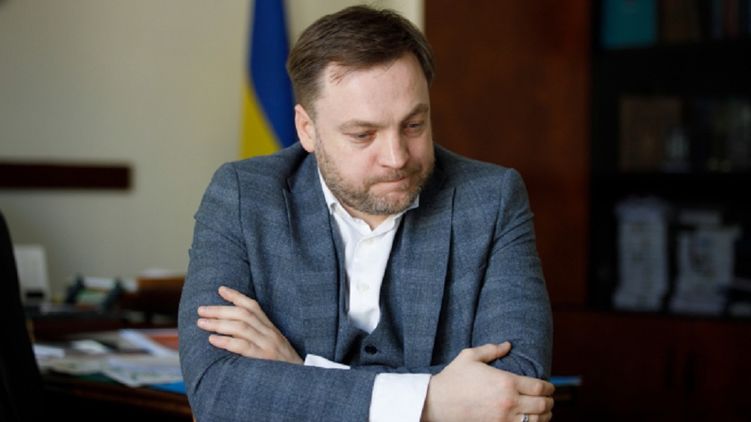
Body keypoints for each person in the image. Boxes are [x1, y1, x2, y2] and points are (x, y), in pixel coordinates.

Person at [178, 5, 554, 422]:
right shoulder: (244, 196)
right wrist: (431, 402)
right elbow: (214, 390)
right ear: (307, 129)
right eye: (363, 134)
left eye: (414, 125)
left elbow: (516, 385)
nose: (396, 157)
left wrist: (301, 371)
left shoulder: (491, 198)